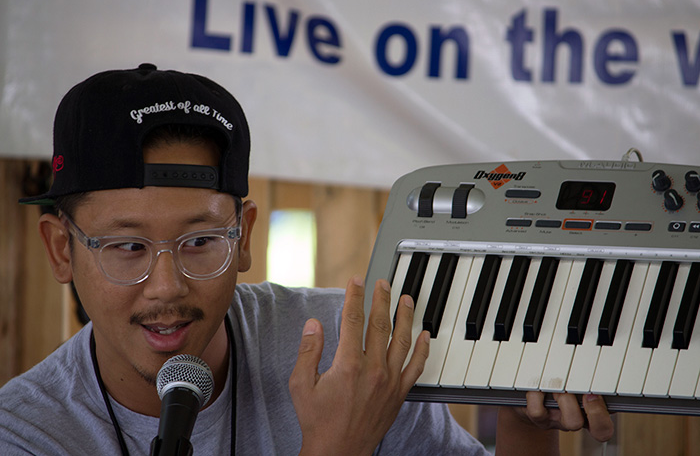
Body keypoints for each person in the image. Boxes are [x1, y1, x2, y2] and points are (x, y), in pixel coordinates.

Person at [0, 64, 613, 455]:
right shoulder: (27, 432)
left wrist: (526, 425)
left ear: (244, 239)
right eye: (127, 247)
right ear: (61, 248)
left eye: (199, 242)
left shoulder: (348, 357)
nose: (166, 286)